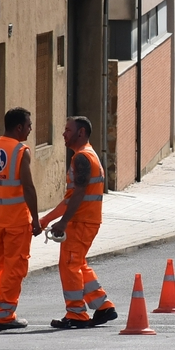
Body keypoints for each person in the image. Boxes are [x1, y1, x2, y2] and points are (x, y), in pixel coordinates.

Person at [41, 116, 118, 329]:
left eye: (67, 129)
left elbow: (78, 195)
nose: (64, 134)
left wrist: (63, 223)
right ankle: (103, 306)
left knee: (70, 265)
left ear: (81, 132)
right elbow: (70, 199)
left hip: (81, 222)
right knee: (78, 263)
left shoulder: (82, 158)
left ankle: (76, 313)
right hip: (85, 220)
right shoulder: (86, 156)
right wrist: (46, 220)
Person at [0, 107, 42, 331]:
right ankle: (5, 315)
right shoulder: (21, 151)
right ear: (19, 127)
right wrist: (36, 219)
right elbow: (28, 188)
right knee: (15, 268)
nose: (31, 129)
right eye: (29, 125)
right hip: (17, 223)